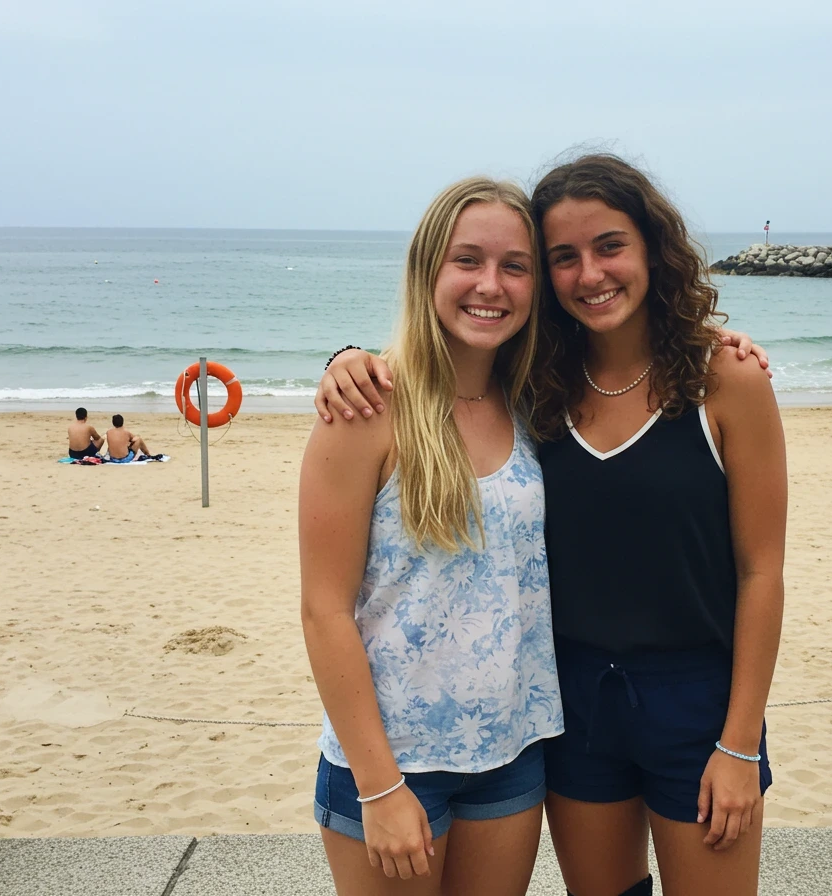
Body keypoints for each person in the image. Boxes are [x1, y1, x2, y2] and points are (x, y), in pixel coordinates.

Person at [317, 154, 786, 896]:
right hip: (572, 702)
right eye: (563, 257)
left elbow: (763, 570)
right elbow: (438, 368)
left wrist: (741, 740)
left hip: (690, 700)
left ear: (653, 250)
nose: (590, 274)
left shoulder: (717, 381)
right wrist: (344, 359)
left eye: (609, 246)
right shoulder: (541, 389)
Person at [300, 178, 565, 896]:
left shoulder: (538, 402)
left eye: (515, 265)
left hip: (510, 756)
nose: (491, 285)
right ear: (427, 271)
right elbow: (324, 610)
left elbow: (633, 363)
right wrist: (380, 788)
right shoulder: (366, 408)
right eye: (467, 261)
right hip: (389, 767)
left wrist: (719, 339)